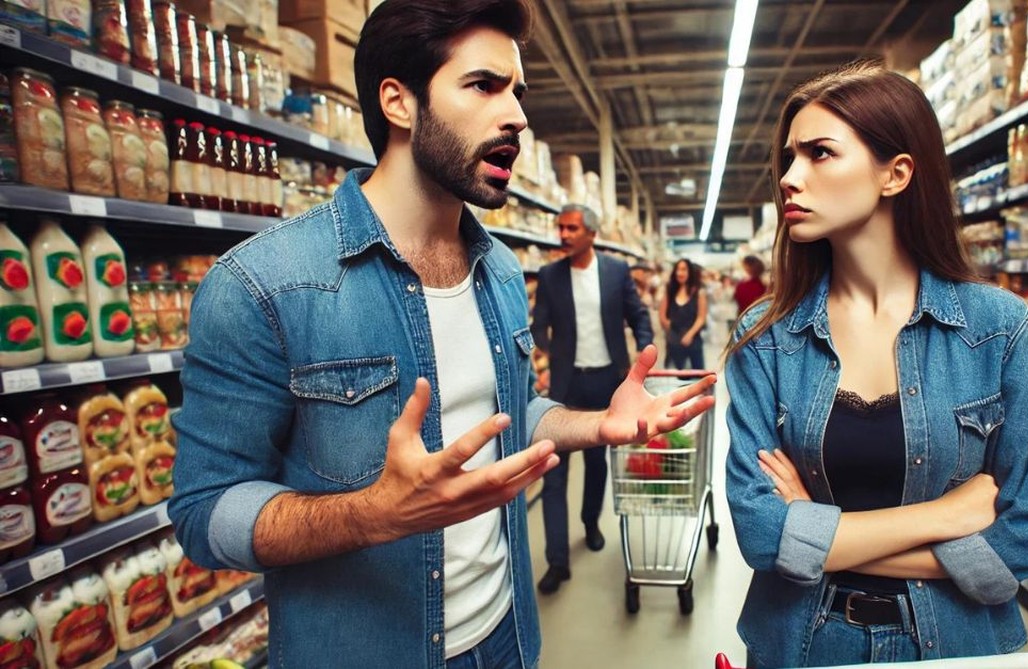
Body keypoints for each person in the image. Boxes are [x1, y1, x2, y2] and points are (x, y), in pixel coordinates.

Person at [168, 2, 714, 667]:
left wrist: (597, 426)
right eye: (484, 85)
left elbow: (509, 412)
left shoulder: (503, 270)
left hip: (508, 639)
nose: (516, 114)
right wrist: (373, 513)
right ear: (398, 103)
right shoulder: (263, 284)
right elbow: (204, 512)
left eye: (518, 91)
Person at [724, 60, 1028, 668]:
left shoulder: (999, 329)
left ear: (896, 173)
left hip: (956, 649)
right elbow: (761, 534)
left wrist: (819, 535)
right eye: (789, 158)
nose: (789, 179)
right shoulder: (766, 338)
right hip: (803, 645)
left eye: (819, 153)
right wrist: (947, 516)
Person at [531, 204, 654, 593]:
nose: (563, 234)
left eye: (571, 228)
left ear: (591, 234)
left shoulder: (616, 271)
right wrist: (553, 354)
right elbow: (539, 326)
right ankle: (557, 560)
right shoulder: (550, 276)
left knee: (598, 461)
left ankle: (589, 522)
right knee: (553, 471)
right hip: (566, 385)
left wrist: (644, 352)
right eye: (560, 228)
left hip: (606, 380)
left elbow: (638, 314)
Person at [659, 258, 708, 369]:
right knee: (675, 378)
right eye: (678, 269)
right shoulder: (670, 291)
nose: (680, 273)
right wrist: (670, 330)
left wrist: (690, 334)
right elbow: (662, 315)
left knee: (696, 376)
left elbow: (701, 318)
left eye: (683, 269)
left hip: (693, 341)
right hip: (674, 343)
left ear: (690, 272)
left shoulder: (699, 292)